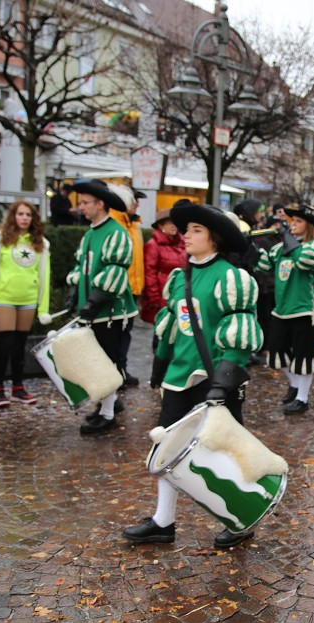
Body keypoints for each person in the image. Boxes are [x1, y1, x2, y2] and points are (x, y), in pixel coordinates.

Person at [129, 204, 263, 549]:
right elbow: (171, 329)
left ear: (214, 240)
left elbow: (240, 333)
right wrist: (159, 368)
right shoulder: (179, 277)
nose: (185, 235)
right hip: (179, 378)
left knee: (222, 452)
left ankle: (240, 518)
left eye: (195, 231)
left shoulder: (232, 278)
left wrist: (222, 382)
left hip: (216, 379)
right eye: (185, 229)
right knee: (167, 449)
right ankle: (163, 521)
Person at [63, 179, 136, 435]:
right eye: (80, 202)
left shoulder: (116, 233)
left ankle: (107, 413)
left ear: (100, 204)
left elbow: (115, 271)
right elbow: (80, 268)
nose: (81, 207)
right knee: (96, 361)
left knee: (108, 361)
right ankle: (106, 404)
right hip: (92, 310)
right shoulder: (90, 233)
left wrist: (94, 300)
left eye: (85, 203)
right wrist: (74, 295)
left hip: (111, 312)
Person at [254, 204, 314, 415]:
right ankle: (294, 385)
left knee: (303, 356)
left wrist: (287, 238)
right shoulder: (279, 248)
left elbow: (303, 261)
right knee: (276, 352)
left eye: (298, 222)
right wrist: (249, 247)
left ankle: (303, 398)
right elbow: (261, 267)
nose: (292, 225)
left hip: (305, 310)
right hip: (281, 310)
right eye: (291, 221)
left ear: (309, 226)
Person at [0, 200, 51, 406]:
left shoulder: (41, 244)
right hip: (4, 299)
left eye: (28, 215)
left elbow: (45, 277)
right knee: (6, 343)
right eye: (20, 214)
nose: (24, 218)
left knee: (20, 345)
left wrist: (43, 308)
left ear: (33, 219)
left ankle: (18, 387)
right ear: (14, 216)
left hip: (28, 299)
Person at [108, 185, 144, 387]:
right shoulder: (115, 224)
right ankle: (115, 371)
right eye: (133, 200)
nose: (136, 205)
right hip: (119, 289)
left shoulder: (135, 226)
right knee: (116, 334)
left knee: (126, 333)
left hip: (132, 289)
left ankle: (122, 369)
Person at [141, 208, 187, 333]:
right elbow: (150, 273)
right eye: (169, 223)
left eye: (175, 223)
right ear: (161, 226)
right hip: (162, 295)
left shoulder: (182, 242)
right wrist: (154, 298)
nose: (174, 226)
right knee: (162, 330)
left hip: (179, 293)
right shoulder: (153, 245)